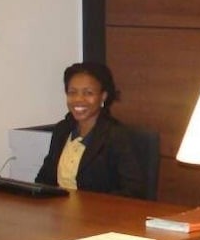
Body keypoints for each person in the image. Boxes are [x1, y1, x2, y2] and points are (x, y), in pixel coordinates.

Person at [35, 62, 145, 197]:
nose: (78, 99)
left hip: (99, 209)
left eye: (88, 93)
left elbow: (134, 191)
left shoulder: (116, 135)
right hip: (59, 208)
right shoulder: (62, 130)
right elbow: (44, 180)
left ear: (103, 96)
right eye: (72, 92)